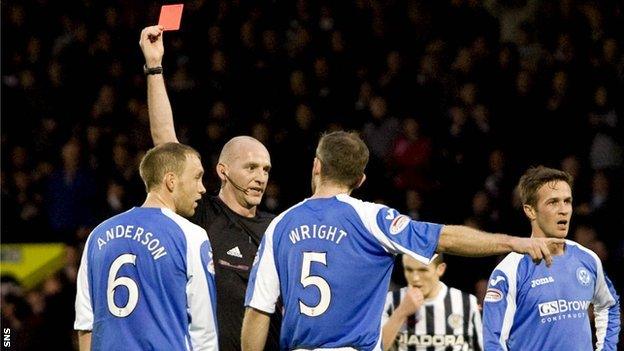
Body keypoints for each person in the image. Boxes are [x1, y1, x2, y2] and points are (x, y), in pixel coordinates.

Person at [241, 131, 563, 351]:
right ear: (360, 179)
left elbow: (257, 312)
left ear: (316, 166)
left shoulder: (279, 226)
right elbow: (446, 237)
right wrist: (511, 242)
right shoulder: (372, 219)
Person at [139, 26, 280, 350]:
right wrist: (155, 66)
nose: (261, 176)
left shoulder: (276, 229)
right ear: (223, 171)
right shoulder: (203, 214)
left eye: (266, 169)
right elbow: (165, 146)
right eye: (251, 167)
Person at [74, 142, 218, 350]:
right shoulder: (191, 236)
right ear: (171, 181)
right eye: (197, 177)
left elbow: (86, 326)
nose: (202, 188)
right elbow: (204, 332)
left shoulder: (98, 235)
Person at [482, 166, 620, 350]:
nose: (563, 210)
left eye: (567, 201)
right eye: (553, 202)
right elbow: (493, 340)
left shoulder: (588, 259)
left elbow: (608, 306)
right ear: (530, 211)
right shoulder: (510, 270)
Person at [381, 254, 483, 351]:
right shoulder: (390, 301)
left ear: (440, 269)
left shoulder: (467, 303)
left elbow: (482, 347)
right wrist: (401, 312)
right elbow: (377, 347)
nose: (415, 278)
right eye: (409, 270)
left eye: (423, 270)